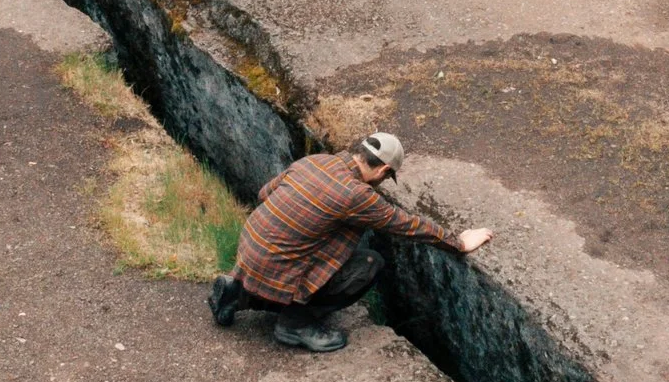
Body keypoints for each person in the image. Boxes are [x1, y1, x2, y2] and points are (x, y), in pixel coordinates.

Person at [209, 132, 494, 353]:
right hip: (276, 266)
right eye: (387, 177)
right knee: (369, 263)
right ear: (383, 171)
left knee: (323, 238)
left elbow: (263, 194)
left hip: (249, 253)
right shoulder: (357, 195)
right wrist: (458, 243)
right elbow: (406, 225)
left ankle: (239, 292)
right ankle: (295, 324)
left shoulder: (315, 160)